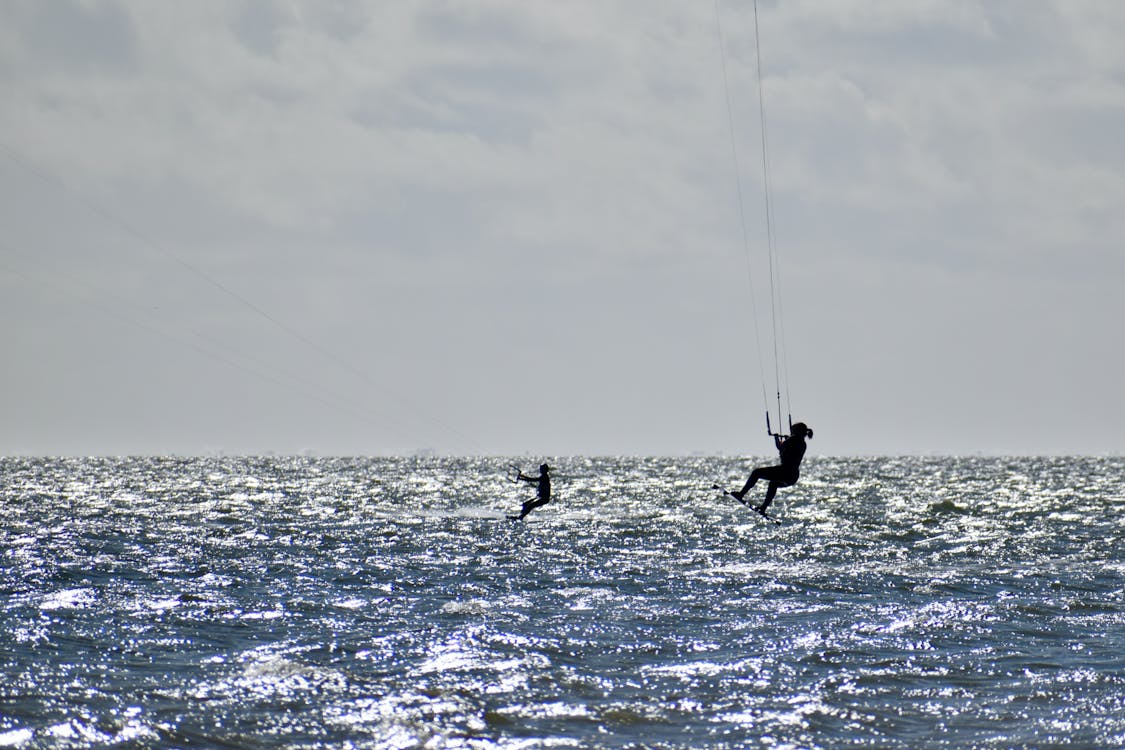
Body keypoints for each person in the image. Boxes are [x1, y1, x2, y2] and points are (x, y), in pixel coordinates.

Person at [731, 422, 813, 514]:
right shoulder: (803, 443)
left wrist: (776, 438)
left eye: (793, 429)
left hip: (785, 471)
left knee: (756, 473)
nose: (791, 431)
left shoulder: (793, 439)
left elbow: (780, 447)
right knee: (773, 484)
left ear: (798, 431)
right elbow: (790, 449)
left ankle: (741, 494)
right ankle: (763, 508)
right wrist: (786, 440)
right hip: (793, 476)